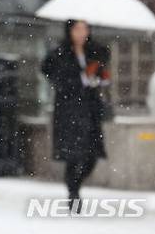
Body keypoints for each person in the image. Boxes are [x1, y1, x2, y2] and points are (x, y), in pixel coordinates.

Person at [41, 19, 109, 211]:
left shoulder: (94, 52)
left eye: (85, 28)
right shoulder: (61, 54)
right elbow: (55, 75)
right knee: (73, 154)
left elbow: (101, 72)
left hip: (90, 109)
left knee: (91, 155)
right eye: (77, 28)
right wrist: (80, 78)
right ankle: (73, 192)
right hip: (69, 110)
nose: (82, 33)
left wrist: (98, 78)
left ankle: (76, 185)